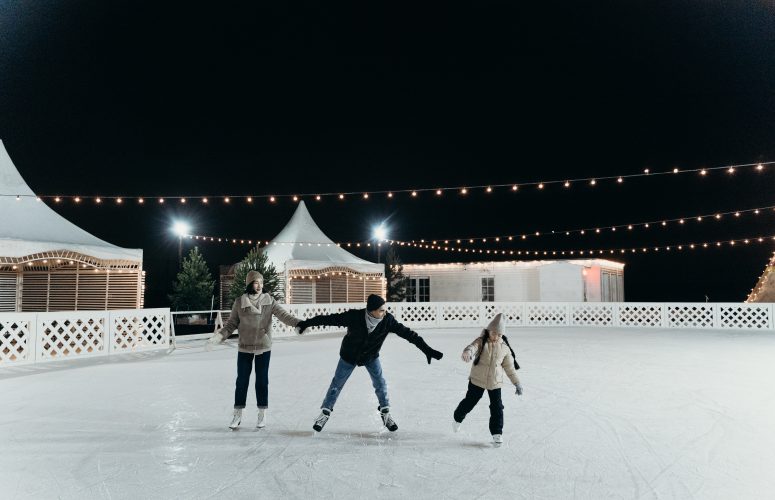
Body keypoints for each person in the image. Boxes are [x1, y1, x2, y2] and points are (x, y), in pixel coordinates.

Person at [296, 294, 443, 433]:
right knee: (337, 384)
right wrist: (306, 323)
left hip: (371, 357)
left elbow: (409, 334)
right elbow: (328, 319)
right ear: (371, 311)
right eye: (381, 310)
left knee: (380, 383)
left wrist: (427, 350)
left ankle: (386, 414)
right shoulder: (354, 316)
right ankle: (325, 413)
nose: (385, 313)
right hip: (349, 356)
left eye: (385, 310)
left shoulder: (387, 320)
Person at [206, 270, 301, 430]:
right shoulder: (240, 302)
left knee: (262, 381)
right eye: (256, 282)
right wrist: (219, 336)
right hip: (245, 347)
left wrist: (299, 324)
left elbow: (284, 316)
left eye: (261, 283)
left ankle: (262, 412)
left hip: (263, 346)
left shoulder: (269, 301)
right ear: (250, 284)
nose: (259, 286)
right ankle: (237, 414)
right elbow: (231, 324)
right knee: (242, 381)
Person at [453, 313, 522, 446]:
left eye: (499, 334)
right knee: (470, 401)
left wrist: (517, 383)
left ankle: (497, 433)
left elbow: (509, 368)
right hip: (477, 379)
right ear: (488, 331)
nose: (496, 336)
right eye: (494, 332)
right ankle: (457, 418)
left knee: (497, 407)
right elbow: (472, 347)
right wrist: (467, 352)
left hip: (495, 382)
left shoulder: (505, 348)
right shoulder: (481, 341)